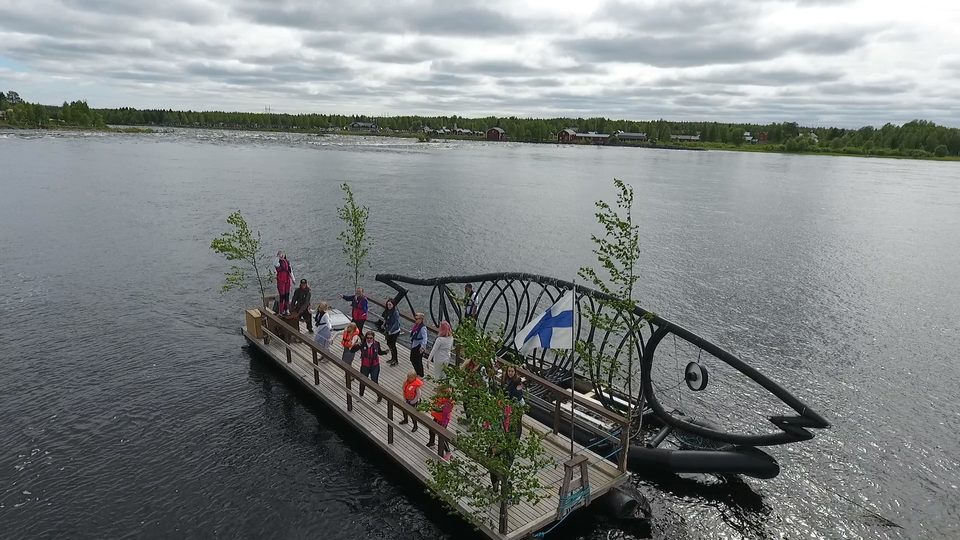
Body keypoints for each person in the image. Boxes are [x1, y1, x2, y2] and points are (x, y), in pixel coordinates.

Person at [352, 331, 387, 401]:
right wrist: (356, 345)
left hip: (375, 365)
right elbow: (352, 351)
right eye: (367, 338)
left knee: (374, 381)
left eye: (371, 338)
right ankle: (360, 396)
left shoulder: (377, 344)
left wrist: (385, 352)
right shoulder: (362, 344)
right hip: (365, 365)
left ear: (373, 338)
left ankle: (379, 396)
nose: (369, 339)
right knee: (362, 381)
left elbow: (379, 352)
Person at [427, 385, 454, 459]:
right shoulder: (440, 398)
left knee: (442, 436)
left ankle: (448, 452)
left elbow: (445, 414)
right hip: (437, 418)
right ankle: (431, 442)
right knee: (431, 430)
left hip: (443, 421)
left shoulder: (447, 403)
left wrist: (443, 424)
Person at [379, 298, 401, 366]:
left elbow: (396, 323)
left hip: (394, 332)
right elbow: (386, 319)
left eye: (390, 305)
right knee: (389, 344)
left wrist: (391, 331)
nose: (389, 306)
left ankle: (396, 360)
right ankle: (393, 358)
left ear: (393, 305)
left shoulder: (395, 312)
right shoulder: (387, 311)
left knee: (393, 345)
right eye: (388, 304)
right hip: (388, 330)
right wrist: (383, 324)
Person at [409, 313, 428, 377]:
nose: (416, 320)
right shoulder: (416, 325)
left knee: (418, 360)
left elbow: (425, 338)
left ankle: (421, 374)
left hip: (419, 345)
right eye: (415, 319)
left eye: (417, 319)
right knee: (412, 359)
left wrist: (423, 347)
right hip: (414, 343)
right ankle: (417, 372)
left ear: (421, 319)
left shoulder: (423, 328)